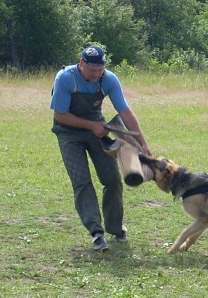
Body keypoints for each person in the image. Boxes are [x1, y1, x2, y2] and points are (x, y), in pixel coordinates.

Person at [50, 45, 152, 251]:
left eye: (100, 70)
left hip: (99, 130)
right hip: (68, 133)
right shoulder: (65, 78)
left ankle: (116, 228)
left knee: (113, 180)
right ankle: (96, 232)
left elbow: (125, 112)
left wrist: (143, 144)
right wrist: (91, 126)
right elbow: (60, 114)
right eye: (92, 70)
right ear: (81, 64)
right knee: (81, 181)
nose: (97, 74)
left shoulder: (109, 79)